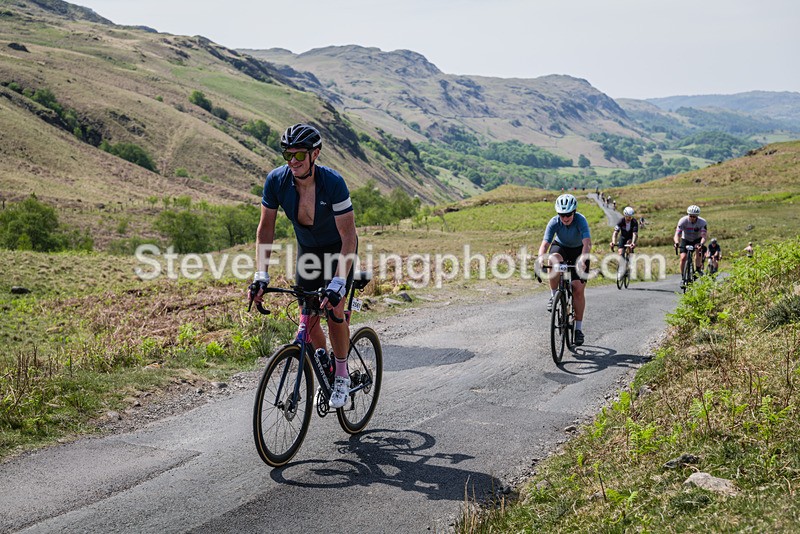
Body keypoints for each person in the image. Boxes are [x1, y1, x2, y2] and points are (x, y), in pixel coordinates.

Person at [250, 123, 358, 409]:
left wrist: (338, 282)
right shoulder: (276, 181)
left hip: (338, 250)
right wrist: (261, 275)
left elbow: (349, 236)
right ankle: (324, 365)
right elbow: (265, 230)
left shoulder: (333, 183)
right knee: (307, 317)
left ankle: (342, 375)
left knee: (334, 310)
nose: (293, 161)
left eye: (299, 155)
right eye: (288, 155)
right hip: (308, 253)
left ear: (315, 154)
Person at [537, 193, 592, 346]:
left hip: (579, 251)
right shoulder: (554, 222)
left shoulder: (581, 220)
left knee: (578, 289)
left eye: (568, 214)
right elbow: (545, 244)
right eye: (562, 215)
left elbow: (587, 243)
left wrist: (583, 260)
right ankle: (554, 295)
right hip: (561, 247)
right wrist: (540, 258)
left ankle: (578, 329)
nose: (565, 218)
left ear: (574, 212)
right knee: (553, 259)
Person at [673, 205, 707, 286]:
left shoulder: (702, 222)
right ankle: (683, 277)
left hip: (697, 240)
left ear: (697, 216)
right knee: (683, 258)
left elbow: (704, 236)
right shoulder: (683, 221)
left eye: (694, 216)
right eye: (690, 216)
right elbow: (677, 234)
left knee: (698, 250)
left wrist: (701, 244)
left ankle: (698, 269)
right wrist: (676, 242)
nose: (692, 218)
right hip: (685, 239)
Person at [611, 206, 639, 280]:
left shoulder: (634, 222)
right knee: (620, 252)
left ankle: (631, 262)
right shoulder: (621, 221)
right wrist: (613, 242)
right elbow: (615, 233)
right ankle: (621, 270)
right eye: (628, 217)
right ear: (625, 215)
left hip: (631, 237)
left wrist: (633, 243)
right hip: (623, 237)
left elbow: (635, 234)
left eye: (631, 217)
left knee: (629, 244)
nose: (629, 218)